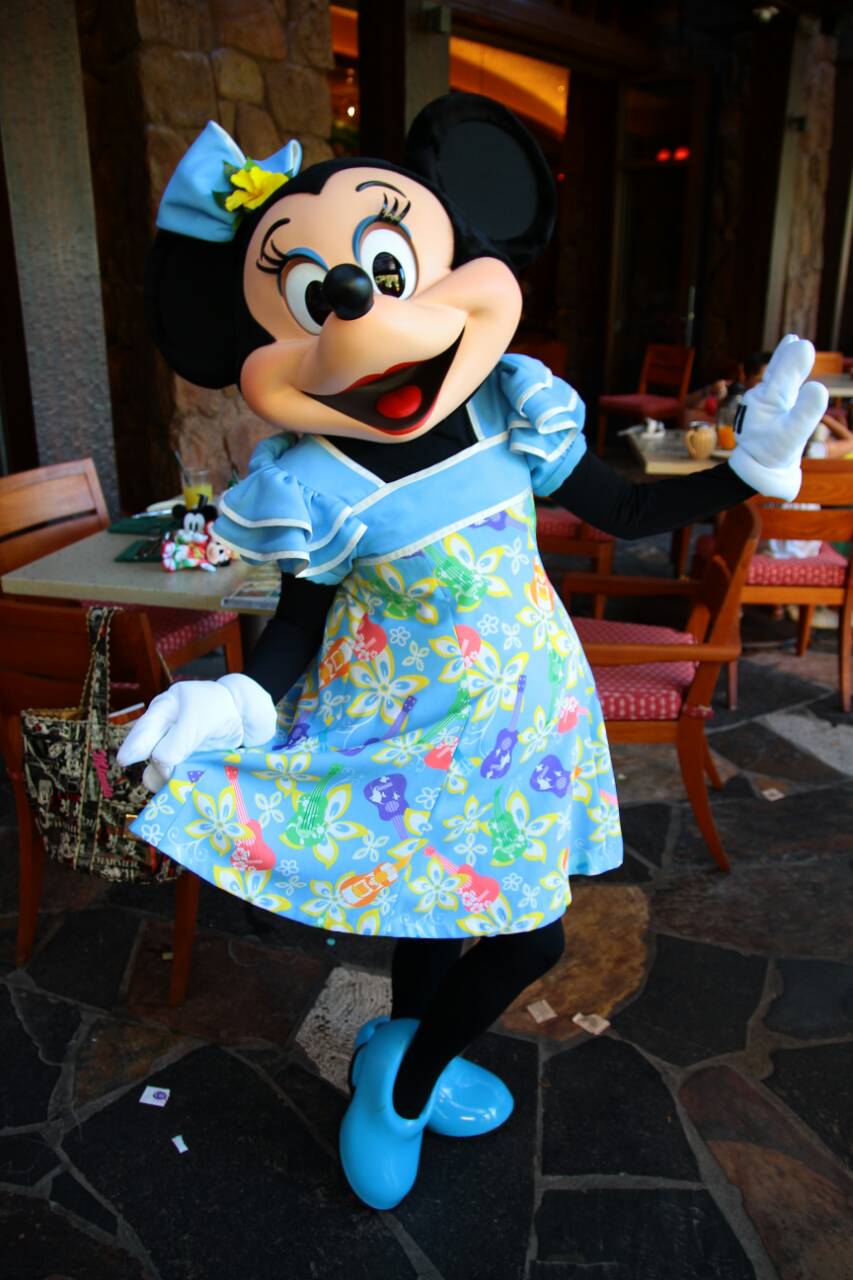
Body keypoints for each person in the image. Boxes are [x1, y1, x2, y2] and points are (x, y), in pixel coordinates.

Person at [117, 93, 828, 1212]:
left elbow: (620, 510)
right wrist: (237, 698)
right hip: (407, 735)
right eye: (314, 298)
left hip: (524, 722)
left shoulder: (507, 407)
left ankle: (404, 1059)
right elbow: (297, 620)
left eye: (384, 270)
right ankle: (403, 1084)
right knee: (493, 930)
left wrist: (741, 472)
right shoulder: (315, 482)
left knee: (484, 921)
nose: (360, 311)